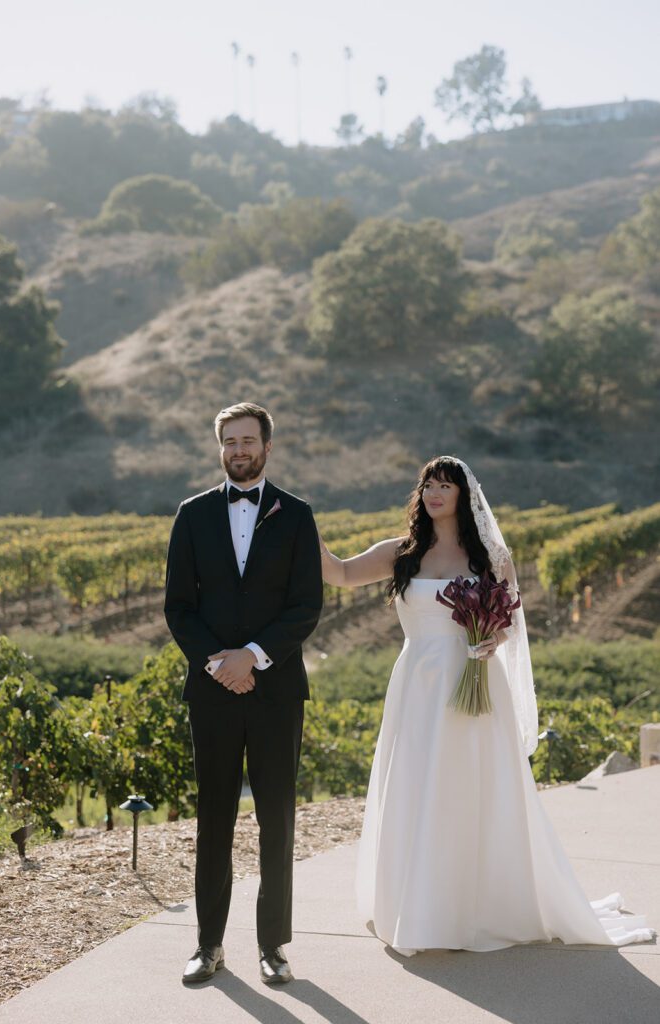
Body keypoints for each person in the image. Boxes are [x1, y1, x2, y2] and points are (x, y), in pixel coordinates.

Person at [320, 455, 654, 954]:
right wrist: (305, 530)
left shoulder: (492, 557)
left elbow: (511, 625)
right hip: (417, 686)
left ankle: (477, 906)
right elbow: (342, 573)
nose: (434, 493)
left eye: (445, 486)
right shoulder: (401, 551)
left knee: (471, 787)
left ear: (464, 496)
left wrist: (489, 641)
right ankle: (420, 904)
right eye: (428, 485)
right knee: (418, 783)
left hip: (475, 681)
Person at [164, 402, 323, 984]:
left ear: (267, 446)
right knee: (214, 820)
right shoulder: (191, 515)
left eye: (248, 440)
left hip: (277, 691)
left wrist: (252, 657)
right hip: (213, 692)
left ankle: (272, 946)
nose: (238, 450)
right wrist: (220, 663)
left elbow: (306, 604)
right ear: (220, 448)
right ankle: (208, 945)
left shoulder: (297, 515)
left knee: (276, 820)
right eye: (229, 441)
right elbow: (178, 606)